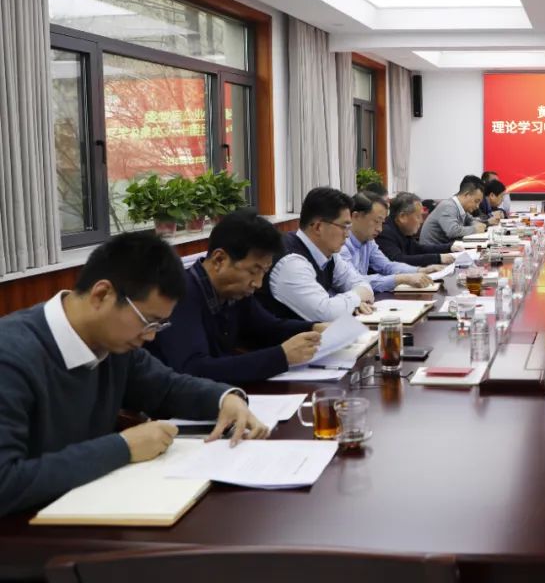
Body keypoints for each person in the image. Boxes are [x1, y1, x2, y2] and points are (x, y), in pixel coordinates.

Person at [0, 232, 267, 517]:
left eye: (159, 325)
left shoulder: (113, 345)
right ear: (102, 295)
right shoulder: (11, 356)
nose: (150, 337)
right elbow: (5, 483)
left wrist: (224, 398)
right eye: (148, 322)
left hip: (92, 509)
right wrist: (123, 447)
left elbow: (167, 387)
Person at [147, 210, 327, 383]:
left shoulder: (236, 293)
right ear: (219, 260)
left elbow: (268, 328)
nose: (258, 283)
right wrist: (281, 357)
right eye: (253, 271)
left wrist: (314, 328)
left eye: (264, 272)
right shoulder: (180, 295)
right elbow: (194, 369)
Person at [259, 187, 375, 322]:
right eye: (344, 227)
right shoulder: (291, 263)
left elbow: (363, 285)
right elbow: (327, 313)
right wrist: (355, 300)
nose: (347, 235)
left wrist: (350, 303)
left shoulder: (330, 255)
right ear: (318, 227)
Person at [343, 193, 440, 292]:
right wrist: (400, 279)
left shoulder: (368, 241)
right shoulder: (341, 244)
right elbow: (352, 282)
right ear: (356, 216)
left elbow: (386, 266)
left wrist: (420, 270)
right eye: (376, 221)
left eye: (382, 223)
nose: (380, 229)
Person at [376, 193, 461, 267]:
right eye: (418, 216)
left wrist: (449, 247)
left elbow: (419, 249)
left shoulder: (403, 230)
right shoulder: (384, 232)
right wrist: (438, 258)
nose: (421, 221)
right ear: (402, 217)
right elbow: (398, 260)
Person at [419, 177, 487, 248]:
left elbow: (471, 220)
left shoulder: (461, 207)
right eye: (476, 201)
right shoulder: (449, 206)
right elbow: (452, 231)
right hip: (432, 251)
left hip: (446, 248)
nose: (477, 206)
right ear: (467, 195)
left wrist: (477, 225)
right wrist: (475, 229)